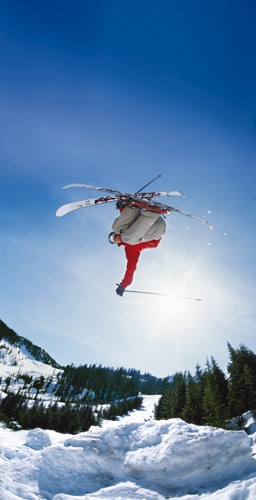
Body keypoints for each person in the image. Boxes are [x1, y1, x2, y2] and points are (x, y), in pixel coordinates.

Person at [109, 203, 166, 296]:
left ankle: (133, 207)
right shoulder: (129, 248)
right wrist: (124, 285)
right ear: (117, 243)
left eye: (113, 235)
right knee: (127, 238)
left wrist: (122, 206)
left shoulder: (123, 232)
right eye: (113, 240)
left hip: (151, 219)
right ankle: (152, 212)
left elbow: (126, 219)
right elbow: (130, 268)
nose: (115, 238)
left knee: (115, 227)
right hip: (156, 230)